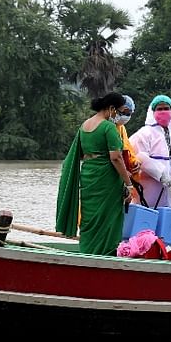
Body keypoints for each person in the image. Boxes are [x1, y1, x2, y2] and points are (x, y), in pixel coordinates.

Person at [55, 92, 136, 256]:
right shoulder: (108, 127)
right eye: (119, 111)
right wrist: (128, 183)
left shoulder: (84, 126)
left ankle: (88, 251)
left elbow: (81, 154)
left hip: (88, 174)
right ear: (112, 109)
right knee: (108, 218)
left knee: (90, 217)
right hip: (106, 179)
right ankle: (105, 253)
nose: (119, 115)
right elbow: (116, 158)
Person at [129, 95, 171, 209]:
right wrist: (162, 175)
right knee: (147, 221)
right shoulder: (144, 134)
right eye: (159, 109)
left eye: (166, 108)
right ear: (153, 112)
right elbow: (140, 157)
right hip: (149, 190)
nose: (163, 111)